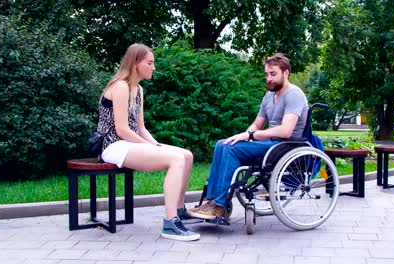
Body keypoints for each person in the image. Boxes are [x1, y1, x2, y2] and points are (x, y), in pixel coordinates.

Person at [97, 43, 200, 241]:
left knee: (186, 155)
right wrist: (150, 147)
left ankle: (178, 210)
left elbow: (141, 128)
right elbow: (121, 130)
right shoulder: (120, 87)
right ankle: (170, 224)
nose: (153, 67)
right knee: (176, 159)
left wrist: (156, 145)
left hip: (129, 142)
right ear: (136, 63)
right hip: (112, 145)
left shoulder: (139, 90)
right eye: (150, 63)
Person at [188, 53, 308, 219]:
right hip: (269, 143)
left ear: (286, 73)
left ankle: (219, 205)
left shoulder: (294, 94)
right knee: (222, 144)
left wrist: (253, 135)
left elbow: (286, 131)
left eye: (273, 74)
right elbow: (257, 124)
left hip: (284, 145)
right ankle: (211, 201)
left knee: (231, 150)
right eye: (266, 74)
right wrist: (246, 134)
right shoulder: (268, 96)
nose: (269, 79)